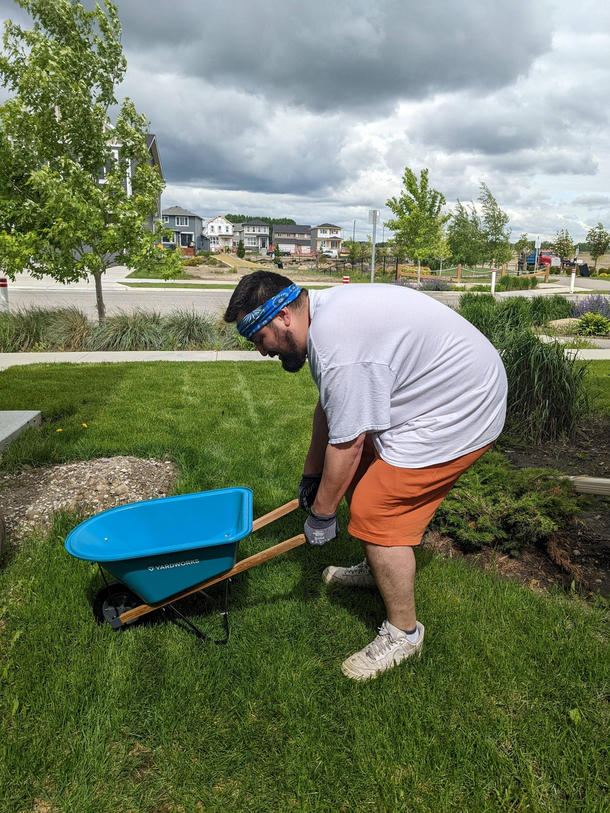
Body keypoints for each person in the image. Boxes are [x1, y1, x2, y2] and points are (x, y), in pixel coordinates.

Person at [224, 272, 507, 681]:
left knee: (377, 510)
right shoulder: (324, 322)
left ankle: (404, 634)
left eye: (257, 337)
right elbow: (329, 409)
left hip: (461, 408)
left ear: (283, 315)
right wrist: (313, 476)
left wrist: (322, 514)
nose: (261, 351)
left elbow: (348, 443)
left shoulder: (337, 343)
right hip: (435, 395)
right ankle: (380, 569)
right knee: (358, 478)